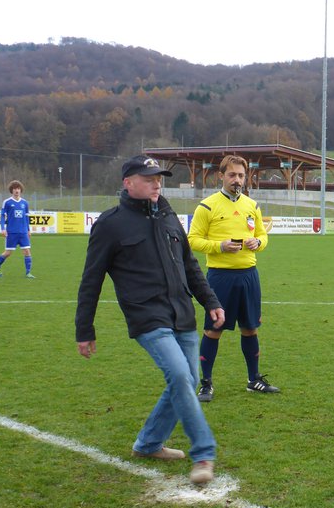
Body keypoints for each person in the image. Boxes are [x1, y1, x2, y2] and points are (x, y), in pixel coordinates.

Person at [75, 155, 222, 485]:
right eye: (149, 178)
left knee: (184, 379)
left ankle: (148, 444)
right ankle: (204, 454)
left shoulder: (169, 216)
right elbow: (91, 279)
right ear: (128, 183)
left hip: (182, 313)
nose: (157, 183)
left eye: (160, 178)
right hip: (147, 317)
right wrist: (84, 329)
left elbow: (190, 266)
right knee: (181, 376)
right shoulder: (110, 224)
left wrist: (210, 300)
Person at [187, 154, 278, 401]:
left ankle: (254, 379)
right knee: (213, 330)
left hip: (249, 275)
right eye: (232, 175)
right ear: (221, 175)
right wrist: (220, 246)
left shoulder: (252, 206)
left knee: (250, 329)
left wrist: (258, 242)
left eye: (240, 175)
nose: (237, 180)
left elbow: (263, 236)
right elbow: (192, 240)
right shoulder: (207, 206)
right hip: (220, 278)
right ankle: (205, 383)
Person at [0, 180, 36, 278]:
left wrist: (28, 230)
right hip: (12, 232)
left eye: (18, 189)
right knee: (8, 253)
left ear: (21, 190)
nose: (16, 191)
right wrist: (3, 229)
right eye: (14, 189)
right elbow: (2, 215)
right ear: (11, 190)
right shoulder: (7, 202)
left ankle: (28, 273)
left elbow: (26, 217)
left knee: (27, 251)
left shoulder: (25, 203)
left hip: (23, 232)